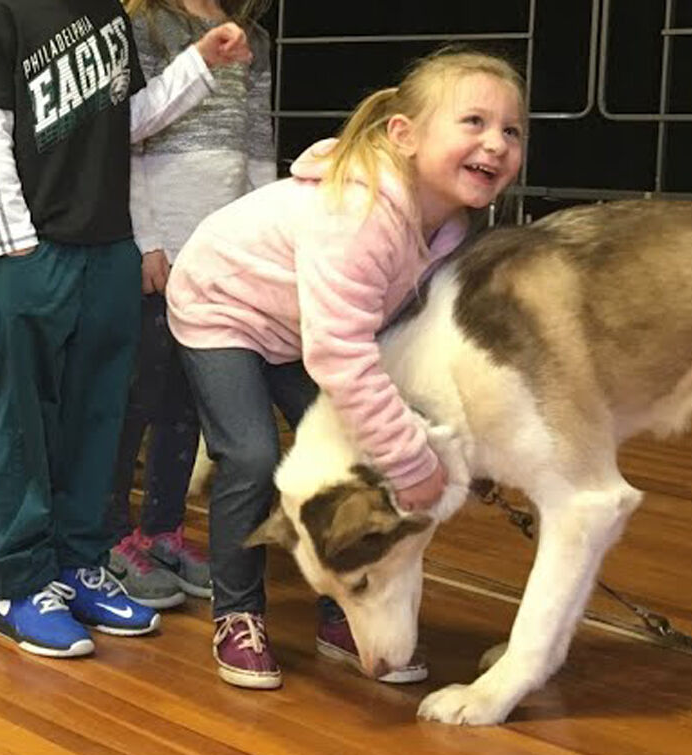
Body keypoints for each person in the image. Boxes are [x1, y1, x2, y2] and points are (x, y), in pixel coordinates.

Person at [167, 49, 527, 689]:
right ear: (403, 135)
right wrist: (414, 462)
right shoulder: (360, 215)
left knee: (356, 454)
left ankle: (344, 593)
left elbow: (409, 347)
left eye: (511, 130)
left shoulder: (449, 230)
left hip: (299, 327)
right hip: (223, 305)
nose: (495, 144)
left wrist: (455, 447)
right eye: (472, 122)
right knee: (250, 458)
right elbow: (341, 354)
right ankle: (238, 613)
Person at [0, 0, 250, 656]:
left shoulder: (107, 18)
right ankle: (17, 581)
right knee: (25, 418)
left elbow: (130, 121)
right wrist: (17, 242)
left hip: (107, 250)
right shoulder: (0, 18)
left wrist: (199, 63)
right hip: (34, 251)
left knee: (98, 417)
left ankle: (76, 563)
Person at [102, 0, 271, 610]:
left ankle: (163, 530)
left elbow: (257, 149)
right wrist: (147, 238)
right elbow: (125, 139)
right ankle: (111, 533)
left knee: (188, 403)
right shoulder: (143, 26)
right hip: (162, 248)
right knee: (136, 395)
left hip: (220, 251)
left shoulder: (253, 37)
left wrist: (258, 241)